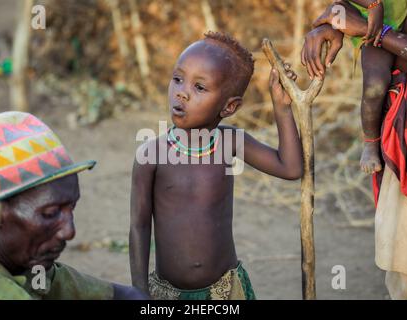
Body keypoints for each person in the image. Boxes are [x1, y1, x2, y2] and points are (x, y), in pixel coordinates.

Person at [129, 31, 303, 300]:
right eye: (177, 79)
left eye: (199, 87)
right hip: (168, 295)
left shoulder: (230, 142)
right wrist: (139, 291)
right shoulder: (150, 154)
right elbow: (139, 226)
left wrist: (281, 107)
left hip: (225, 292)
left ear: (229, 106)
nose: (182, 94)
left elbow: (290, 168)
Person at [0, 111, 146, 300]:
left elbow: (121, 296)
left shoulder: (30, 268)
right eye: (50, 214)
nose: (69, 232)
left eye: (71, 208)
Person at [301, 0, 407, 299]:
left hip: (388, 46)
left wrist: (367, 27)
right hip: (404, 127)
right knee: (405, 273)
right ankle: (370, 143)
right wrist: (337, 15)